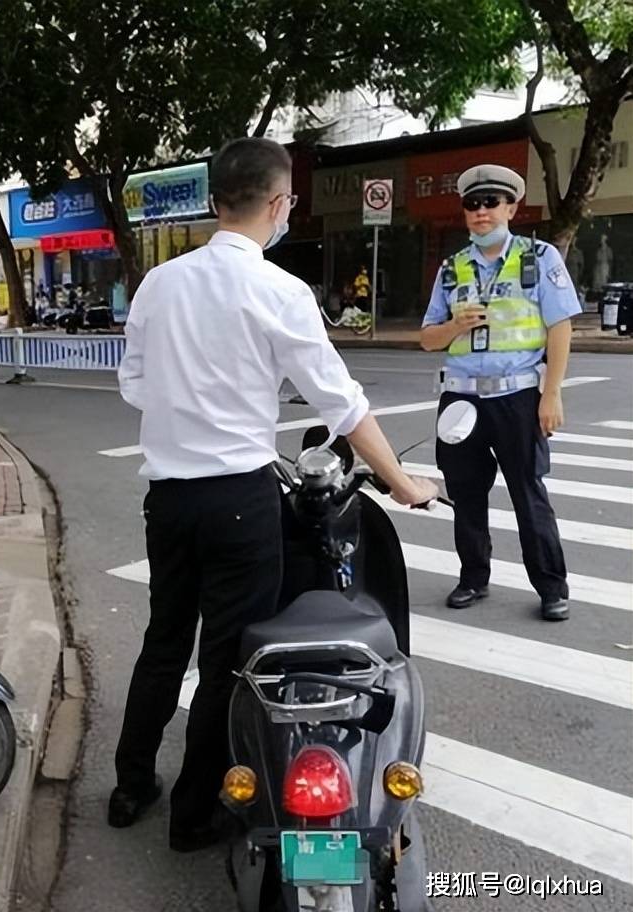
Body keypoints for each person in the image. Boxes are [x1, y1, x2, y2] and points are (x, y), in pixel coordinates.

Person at [111, 138, 435, 851]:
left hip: (167, 500)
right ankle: (195, 815)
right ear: (281, 204)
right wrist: (404, 482)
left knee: (164, 641)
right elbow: (342, 405)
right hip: (239, 500)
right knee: (229, 661)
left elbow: (132, 383)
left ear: (214, 201)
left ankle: (130, 784)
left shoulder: (160, 284)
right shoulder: (278, 290)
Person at [420, 164, 579, 621]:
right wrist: (455, 326)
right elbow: (428, 338)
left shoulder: (538, 257)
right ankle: (473, 577)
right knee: (466, 493)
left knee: (528, 492)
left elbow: (560, 327)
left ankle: (551, 586)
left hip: (517, 397)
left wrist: (552, 394)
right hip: (461, 399)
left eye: (491, 202)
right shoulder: (453, 268)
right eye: (472, 204)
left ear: (511, 207)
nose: (481, 212)